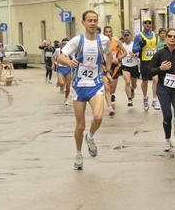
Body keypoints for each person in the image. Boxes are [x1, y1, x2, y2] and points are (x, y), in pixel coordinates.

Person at [57, 10, 112, 170]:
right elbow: (61, 56)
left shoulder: (103, 40)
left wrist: (107, 71)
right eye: (90, 20)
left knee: (99, 117)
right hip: (79, 86)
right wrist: (69, 62)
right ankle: (79, 154)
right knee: (80, 126)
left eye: (95, 20)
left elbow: (109, 53)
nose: (93, 23)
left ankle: (91, 136)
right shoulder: (77, 41)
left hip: (95, 85)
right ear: (83, 23)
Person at [148, 28, 175, 152]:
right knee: (167, 115)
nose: (172, 38)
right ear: (166, 38)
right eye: (170, 36)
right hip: (163, 88)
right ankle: (167, 140)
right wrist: (160, 69)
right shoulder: (160, 54)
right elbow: (150, 70)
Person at [132, 16, 160, 111]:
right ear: (143, 24)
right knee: (145, 81)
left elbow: (156, 47)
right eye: (146, 23)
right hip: (144, 61)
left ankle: (155, 100)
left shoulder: (155, 35)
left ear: (151, 24)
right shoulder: (138, 36)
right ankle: (145, 98)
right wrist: (141, 45)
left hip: (154, 61)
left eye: (149, 23)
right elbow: (134, 49)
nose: (147, 24)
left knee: (155, 79)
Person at [102, 26, 127, 116]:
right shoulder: (100, 42)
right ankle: (110, 108)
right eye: (106, 32)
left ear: (111, 33)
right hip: (104, 66)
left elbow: (125, 52)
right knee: (107, 87)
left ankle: (111, 94)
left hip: (114, 67)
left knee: (112, 88)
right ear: (103, 33)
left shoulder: (116, 41)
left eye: (109, 31)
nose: (108, 33)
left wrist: (118, 58)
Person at [121, 29, 139, 106]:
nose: (126, 37)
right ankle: (129, 99)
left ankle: (132, 89)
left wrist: (134, 55)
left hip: (134, 66)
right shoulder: (121, 46)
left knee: (134, 85)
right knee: (127, 82)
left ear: (131, 36)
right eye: (125, 35)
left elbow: (139, 54)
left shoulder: (134, 45)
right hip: (125, 66)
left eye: (128, 35)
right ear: (123, 37)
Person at [54, 38, 72, 106]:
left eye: (67, 44)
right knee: (62, 83)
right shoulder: (58, 50)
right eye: (64, 44)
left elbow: (74, 58)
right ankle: (60, 84)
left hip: (68, 68)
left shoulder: (71, 51)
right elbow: (54, 57)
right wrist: (54, 64)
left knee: (68, 86)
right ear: (62, 44)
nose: (66, 45)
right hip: (60, 68)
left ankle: (66, 99)